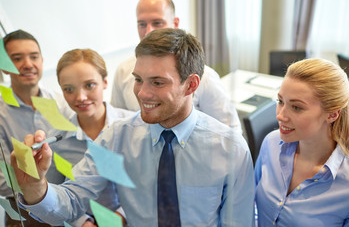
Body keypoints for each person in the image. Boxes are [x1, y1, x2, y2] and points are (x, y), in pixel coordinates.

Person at [12, 28, 254, 227]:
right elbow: (73, 200)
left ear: (191, 85)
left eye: (157, 82)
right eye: (138, 80)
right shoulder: (117, 137)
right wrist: (36, 187)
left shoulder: (231, 149)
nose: (142, 93)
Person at [111, 0, 241, 129]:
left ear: (175, 23)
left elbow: (230, 132)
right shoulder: (124, 71)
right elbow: (117, 120)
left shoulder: (206, 78)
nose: (149, 31)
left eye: (157, 23)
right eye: (142, 24)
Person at [254, 58, 349, 226]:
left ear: (332, 114)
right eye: (280, 101)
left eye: (296, 107)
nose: (280, 115)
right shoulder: (271, 143)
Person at [46, 49, 134, 226]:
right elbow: (54, 193)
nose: (80, 97)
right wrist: (81, 222)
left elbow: (153, 182)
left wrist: (120, 217)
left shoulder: (134, 126)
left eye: (89, 85)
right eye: (69, 89)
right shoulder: (57, 140)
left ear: (105, 82)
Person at [0, 29, 73, 227]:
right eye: (17, 58)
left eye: (34, 57)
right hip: (23, 212)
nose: (28, 65)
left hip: (67, 202)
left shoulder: (62, 103)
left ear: (41, 61)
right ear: (4, 67)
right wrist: (38, 193)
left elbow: (76, 157)